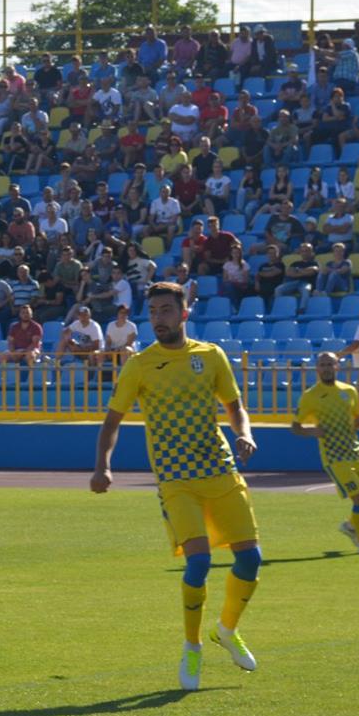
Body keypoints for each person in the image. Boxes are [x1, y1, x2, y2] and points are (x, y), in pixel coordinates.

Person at [88, 281, 262, 692]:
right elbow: (112, 421)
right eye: (153, 312)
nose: (158, 319)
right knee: (198, 563)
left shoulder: (211, 355)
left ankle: (226, 629)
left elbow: (235, 408)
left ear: (183, 314)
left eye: (166, 310)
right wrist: (102, 467)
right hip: (176, 478)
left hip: (220, 470)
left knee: (251, 560)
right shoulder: (139, 365)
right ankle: (192, 646)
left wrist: (245, 433)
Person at [291, 351, 359, 556]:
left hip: (355, 450)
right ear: (317, 368)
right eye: (322, 365)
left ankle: (351, 526)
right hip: (334, 456)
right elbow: (295, 427)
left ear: (337, 367)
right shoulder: (310, 396)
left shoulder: (349, 391)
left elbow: (358, 418)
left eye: (329, 364)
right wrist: (310, 431)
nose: (326, 368)